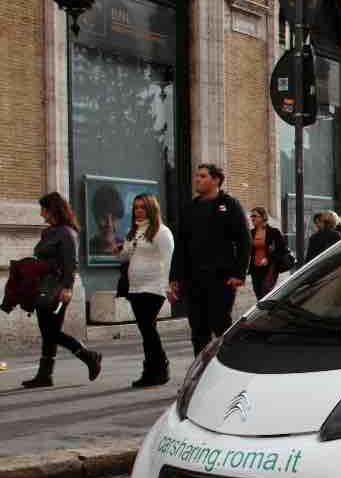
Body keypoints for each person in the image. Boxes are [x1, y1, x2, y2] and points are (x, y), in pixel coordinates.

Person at [168, 164, 251, 356]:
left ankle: (230, 363)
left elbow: (244, 240)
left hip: (221, 278)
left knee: (221, 324)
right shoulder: (190, 208)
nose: (197, 179)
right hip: (193, 278)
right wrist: (175, 277)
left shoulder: (230, 205)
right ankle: (201, 369)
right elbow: (180, 245)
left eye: (203, 176)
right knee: (198, 329)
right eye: (197, 176)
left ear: (216, 180)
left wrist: (239, 273)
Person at [23, 192, 103, 388]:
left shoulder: (67, 233)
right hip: (43, 286)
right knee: (47, 330)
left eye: (43, 208)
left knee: (51, 332)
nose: (41, 212)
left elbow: (71, 263)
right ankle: (45, 375)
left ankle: (89, 356)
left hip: (58, 288)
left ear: (52, 210)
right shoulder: (48, 232)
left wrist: (67, 288)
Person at [113, 193, 174, 387]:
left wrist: (168, 287)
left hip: (154, 287)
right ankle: (155, 369)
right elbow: (125, 257)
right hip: (135, 287)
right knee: (147, 330)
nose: (138, 210)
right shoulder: (134, 231)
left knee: (148, 329)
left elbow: (168, 260)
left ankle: (157, 369)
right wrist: (118, 249)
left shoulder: (162, 232)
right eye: (135, 207)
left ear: (151, 209)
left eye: (142, 207)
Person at [248, 207, 290, 299]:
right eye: (251, 216)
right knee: (258, 293)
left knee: (266, 293)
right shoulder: (251, 233)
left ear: (263, 217)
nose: (252, 218)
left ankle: (268, 311)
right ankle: (263, 312)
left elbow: (282, 249)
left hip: (269, 267)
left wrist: (268, 258)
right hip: (255, 268)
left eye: (254, 216)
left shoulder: (274, 232)